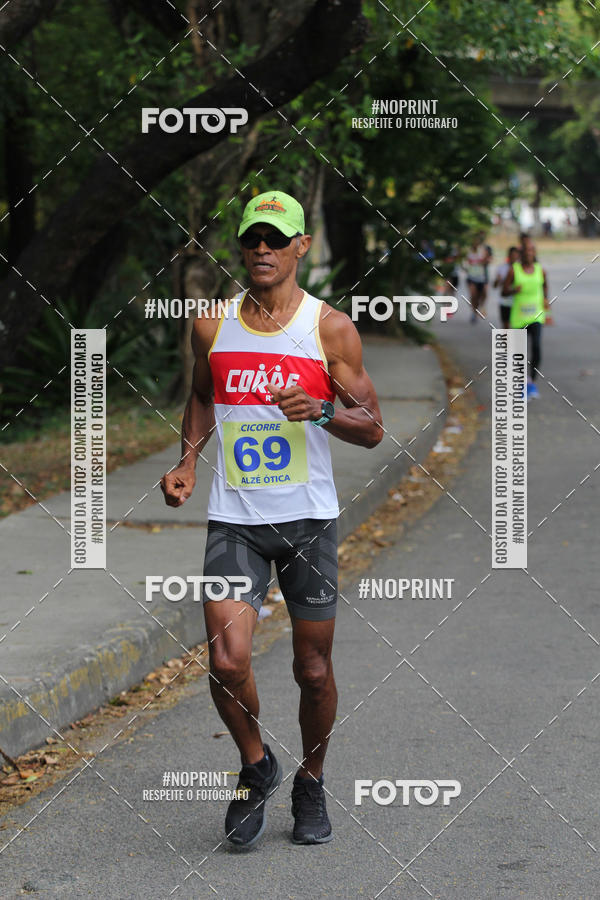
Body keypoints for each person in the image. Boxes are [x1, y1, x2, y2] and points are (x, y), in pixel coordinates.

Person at [160, 189, 383, 848]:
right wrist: (188, 463)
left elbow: (371, 429)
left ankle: (310, 779)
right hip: (236, 518)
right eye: (251, 238)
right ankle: (256, 765)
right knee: (227, 662)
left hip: (308, 520)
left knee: (312, 671)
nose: (261, 249)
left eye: (274, 239)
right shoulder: (211, 325)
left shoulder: (330, 328)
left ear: (299, 247)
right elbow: (203, 396)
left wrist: (317, 410)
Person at [502, 235, 553, 400]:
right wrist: (513, 290)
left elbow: (545, 286)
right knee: (519, 353)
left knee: (536, 347)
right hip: (518, 317)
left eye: (531, 250)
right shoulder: (513, 270)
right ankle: (521, 382)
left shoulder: (541, 270)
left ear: (534, 253)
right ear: (521, 253)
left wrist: (546, 301)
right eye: (526, 251)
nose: (528, 253)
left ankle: (531, 382)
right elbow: (503, 291)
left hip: (536, 316)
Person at [463, 231, 492, 322]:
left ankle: (481, 307)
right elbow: (464, 262)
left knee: (483, 294)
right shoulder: (468, 251)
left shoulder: (483, 250)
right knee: (473, 295)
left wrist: (484, 261)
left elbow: (488, 259)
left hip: (482, 277)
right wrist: (466, 267)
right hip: (471, 277)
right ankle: (474, 312)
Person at [494, 245, 520, 328]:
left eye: (516, 256)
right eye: (512, 255)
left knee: (517, 325)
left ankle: (516, 340)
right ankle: (507, 340)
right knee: (506, 325)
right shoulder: (502, 268)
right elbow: (494, 286)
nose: (514, 258)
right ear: (508, 255)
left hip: (517, 302)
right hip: (505, 301)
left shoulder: (521, 269)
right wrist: (497, 280)